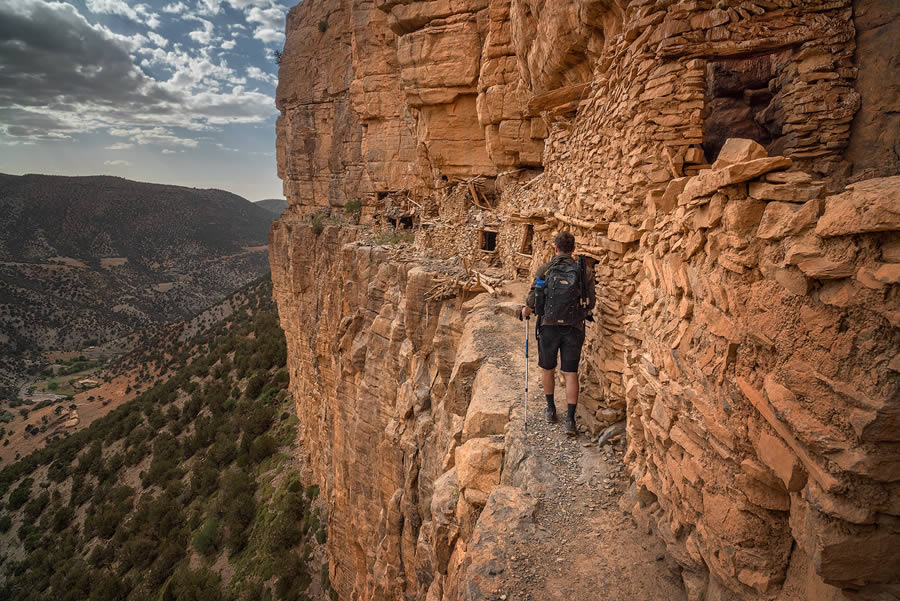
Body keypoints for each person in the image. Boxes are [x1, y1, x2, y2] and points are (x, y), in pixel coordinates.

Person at [520, 231, 595, 435]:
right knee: (570, 373)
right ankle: (570, 420)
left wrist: (527, 309)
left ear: (555, 248)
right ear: (573, 249)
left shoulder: (545, 269)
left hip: (548, 327)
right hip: (574, 327)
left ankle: (551, 410)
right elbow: (591, 303)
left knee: (548, 368)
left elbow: (533, 299)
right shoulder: (583, 271)